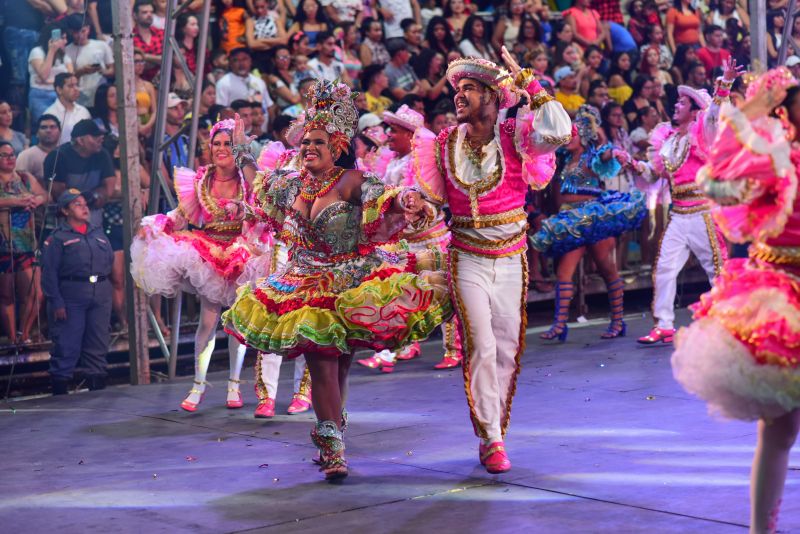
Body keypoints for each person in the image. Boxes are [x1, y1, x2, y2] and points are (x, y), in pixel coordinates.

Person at [222, 80, 450, 481]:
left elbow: (384, 195)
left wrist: (406, 201)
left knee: (339, 364)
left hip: (347, 280)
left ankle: (332, 430)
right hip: (302, 283)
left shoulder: (350, 181)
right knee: (324, 362)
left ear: (338, 146)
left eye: (318, 143)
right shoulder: (290, 184)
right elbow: (258, 180)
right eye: (305, 142)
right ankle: (331, 445)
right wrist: (242, 149)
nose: (308, 148)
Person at [410, 51, 571, 473]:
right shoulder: (442, 143)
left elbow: (559, 132)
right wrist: (417, 207)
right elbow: (430, 198)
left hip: (512, 255)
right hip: (467, 256)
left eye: (469, 89)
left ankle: (493, 428)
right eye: (457, 89)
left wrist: (530, 85)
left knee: (506, 349)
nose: (459, 97)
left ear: (493, 97)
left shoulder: (517, 135)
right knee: (479, 344)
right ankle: (492, 437)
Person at [671, 67, 800, 534]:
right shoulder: (771, 157)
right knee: (780, 428)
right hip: (780, 295)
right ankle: (761, 530)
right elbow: (719, 180)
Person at [131, 116, 268, 411]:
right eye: (216, 143)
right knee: (208, 320)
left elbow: (263, 211)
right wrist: (161, 223)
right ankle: (199, 384)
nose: (221, 149)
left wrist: (243, 210)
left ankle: (234, 384)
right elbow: (182, 214)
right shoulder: (202, 179)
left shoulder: (247, 180)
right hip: (209, 253)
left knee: (237, 321)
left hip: (241, 253)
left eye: (227, 144)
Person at [635, 59, 741, 345]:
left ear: (694, 111)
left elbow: (713, 117)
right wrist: (633, 164)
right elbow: (656, 173)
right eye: (678, 102)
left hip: (704, 213)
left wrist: (725, 85)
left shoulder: (702, 134)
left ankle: (730, 324)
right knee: (664, 268)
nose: (676, 105)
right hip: (679, 215)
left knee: (717, 269)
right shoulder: (667, 139)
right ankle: (664, 325)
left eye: (682, 103)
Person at [531, 106, 645, 341]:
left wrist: (614, 153)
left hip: (592, 219)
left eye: (572, 134)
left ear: (582, 137)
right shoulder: (562, 158)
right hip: (570, 221)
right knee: (564, 274)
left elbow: (606, 154)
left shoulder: (592, 156)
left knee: (607, 269)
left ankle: (618, 321)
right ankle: (560, 325)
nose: (567, 139)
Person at [42, 189, 114, 394]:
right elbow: (49, 274)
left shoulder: (98, 232)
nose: (84, 208)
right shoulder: (57, 239)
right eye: (77, 204)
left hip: (99, 292)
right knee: (67, 343)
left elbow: (109, 260)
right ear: (65, 211)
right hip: (72, 293)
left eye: (84, 203)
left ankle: (97, 385)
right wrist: (56, 302)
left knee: (98, 341)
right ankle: (60, 388)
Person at [0, 142, 48, 345]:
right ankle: (11, 337)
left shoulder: (25, 178)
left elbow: (45, 194)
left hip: (27, 243)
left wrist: (37, 200)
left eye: (13, 154)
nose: (10, 158)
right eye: (4, 155)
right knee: (6, 294)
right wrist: (17, 202)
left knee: (37, 293)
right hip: (3, 244)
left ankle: (24, 333)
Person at [216, 47, 276, 130]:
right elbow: (222, 111)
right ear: (230, 63)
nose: (241, 63)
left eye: (245, 59)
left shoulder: (259, 82)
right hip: (238, 134)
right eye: (236, 60)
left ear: (250, 61)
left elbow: (269, 106)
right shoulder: (224, 83)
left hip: (261, 132)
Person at [64, 14, 114, 108]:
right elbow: (67, 78)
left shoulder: (101, 46)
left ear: (88, 29)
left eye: (83, 31)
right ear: (70, 32)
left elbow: (112, 69)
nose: (80, 35)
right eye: (76, 32)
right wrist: (81, 71)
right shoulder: (67, 51)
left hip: (101, 92)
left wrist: (103, 72)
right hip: (80, 94)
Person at [27, 23, 73, 125]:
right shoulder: (37, 52)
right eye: (63, 38)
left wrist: (48, 82)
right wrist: (52, 50)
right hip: (40, 95)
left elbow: (71, 78)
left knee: (62, 125)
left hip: (60, 96)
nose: (66, 42)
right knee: (48, 125)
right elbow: (44, 75)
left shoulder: (64, 55)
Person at [43, 73, 92, 145]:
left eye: (77, 85)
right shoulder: (50, 114)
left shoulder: (84, 111)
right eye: (71, 86)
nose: (76, 89)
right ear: (59, 90)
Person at [16, 115, 62, 185]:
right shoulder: (26, 155)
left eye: (53, 127)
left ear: (60, 132)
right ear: (37, 133)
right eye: (44, 127)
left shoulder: (64, 154)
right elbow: (17, 182)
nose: (48, 130)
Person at [132, 0, 165, 81]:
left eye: (151, 12)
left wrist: (145, 57)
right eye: (144, 12)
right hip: (138, 82)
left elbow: (167, 60)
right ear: (135, 15)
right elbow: (133, 64)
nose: (149, 15)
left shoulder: (161, 33)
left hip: (162, 81)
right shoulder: (130, 37)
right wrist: (157, 60)